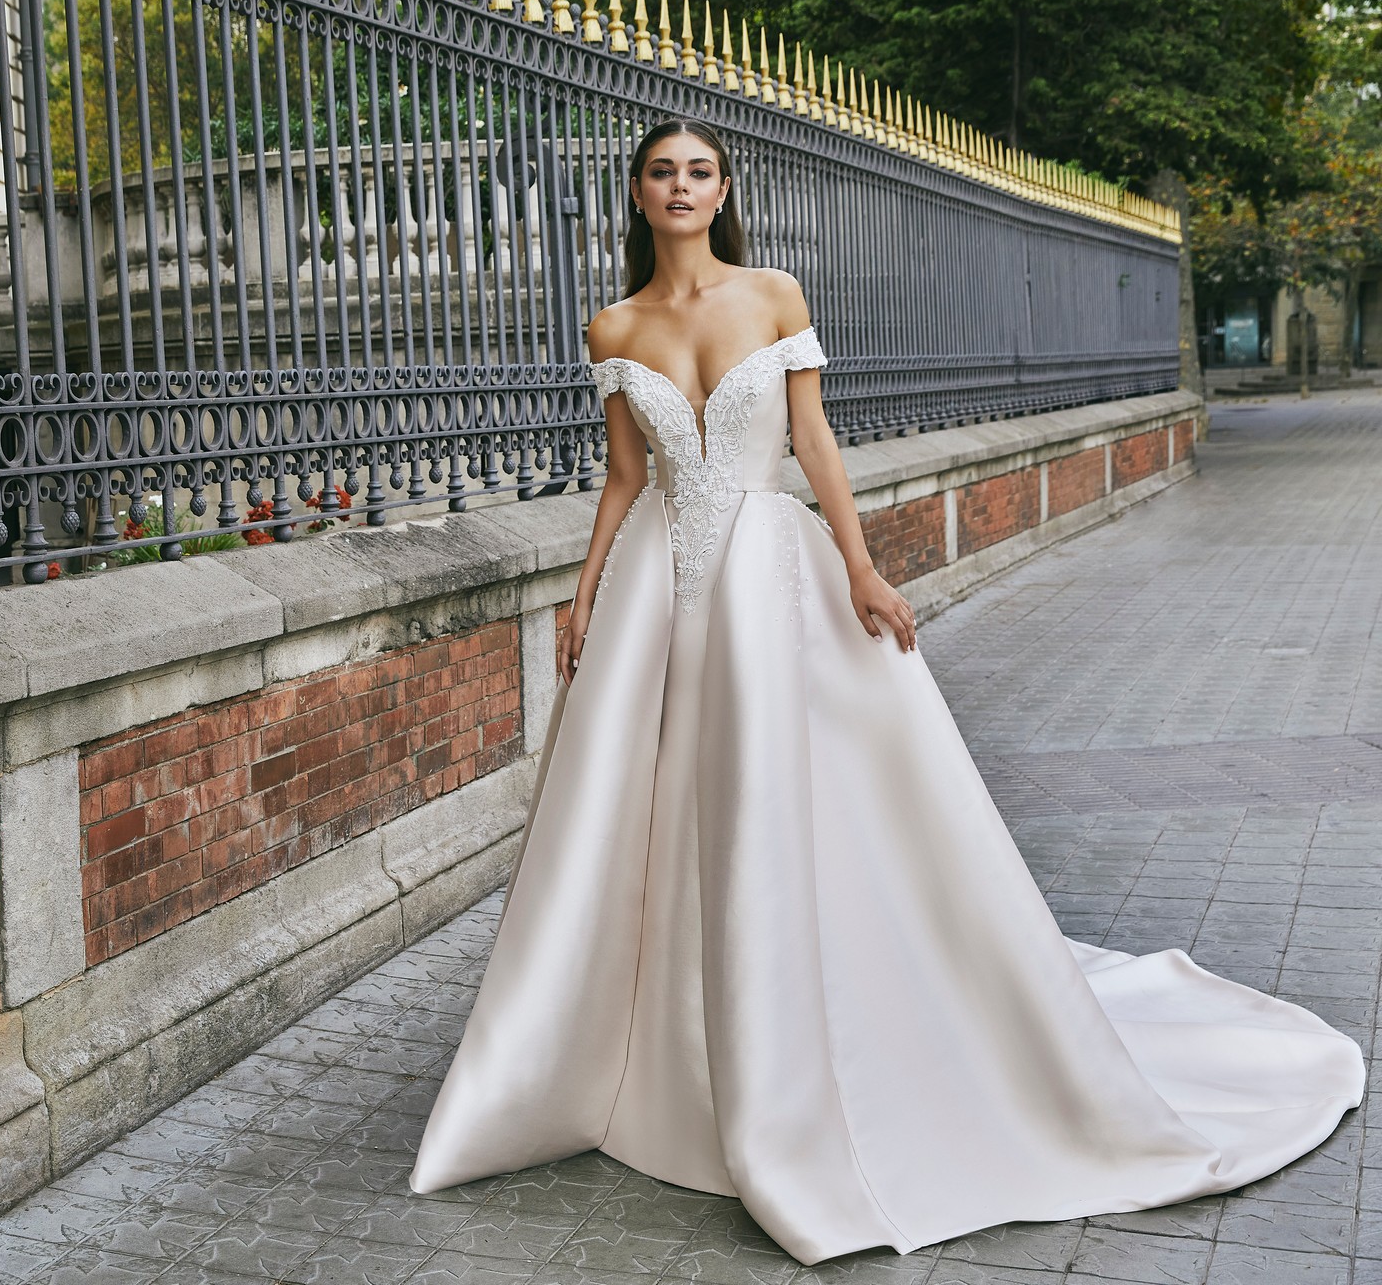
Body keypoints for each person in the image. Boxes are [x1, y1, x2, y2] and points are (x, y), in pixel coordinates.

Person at [406, 117, 1363, 1264]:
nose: (681, 187)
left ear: (722, 191)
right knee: (649, 813)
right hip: (659, 590)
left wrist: (861, 565)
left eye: (699, 172)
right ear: (635, 192)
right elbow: (623, 476)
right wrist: (583, 591)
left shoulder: (774, 294)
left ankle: (795, 1044)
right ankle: (655, 1053)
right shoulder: (614, 324)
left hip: (768, 579)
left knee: (770, 796)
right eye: (663, 172)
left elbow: (812, 440)